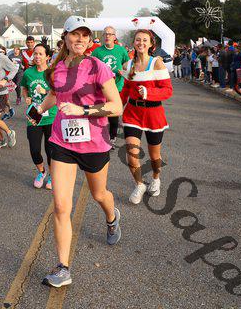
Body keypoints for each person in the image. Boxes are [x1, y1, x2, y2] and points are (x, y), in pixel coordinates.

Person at [38, 16, 123, 288]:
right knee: (61, 206)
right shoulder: (57, 67)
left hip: (94, 142)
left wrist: (83, 110)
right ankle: (63, 268)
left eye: (85, 35)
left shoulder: (97, 66)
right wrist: (38, 109)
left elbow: (116, 106)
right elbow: (56, 95)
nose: (80, 39)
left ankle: (112, 217)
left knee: (99, 194)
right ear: (65, 37)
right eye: (75, 34)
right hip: (62, 142)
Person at [119, 30, 173, 204]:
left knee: (154, 156)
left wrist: (148, 93)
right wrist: (116, 106)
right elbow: (126, 90)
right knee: (131, 154)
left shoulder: (156, 63)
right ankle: (139, 184)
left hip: (153, 115)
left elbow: (167, 90)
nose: (141, 43)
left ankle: (156, 178)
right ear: (134, 43)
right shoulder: (128, 65)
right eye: (138, 40)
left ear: (151, 44)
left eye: (144, 40)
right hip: (132, 114)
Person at [21, 43, 57, 190]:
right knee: (34, 149)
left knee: (50, 151)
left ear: (47, 56)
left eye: (40, 54)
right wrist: (26, 97)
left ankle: (52, 176)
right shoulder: (28, 73)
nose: (37, 56)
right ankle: (42, 172)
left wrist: (45, 91)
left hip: (51, 116)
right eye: (35, 53)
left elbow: (59, 93)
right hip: (34, 116)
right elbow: (24, 87)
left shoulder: (52, 73)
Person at [92, 25, 130, 149]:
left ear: (114, 37)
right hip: (101, 87)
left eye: (110, 34)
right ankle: (100, 137)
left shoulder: (121, 50)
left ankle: (112, 138)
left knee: (113, 114)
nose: (107, 36)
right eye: (105, 34)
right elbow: (91, 68)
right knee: (101, 113)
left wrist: (123, 71)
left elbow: (127, 65)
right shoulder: (97, 51)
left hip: (116, 86)